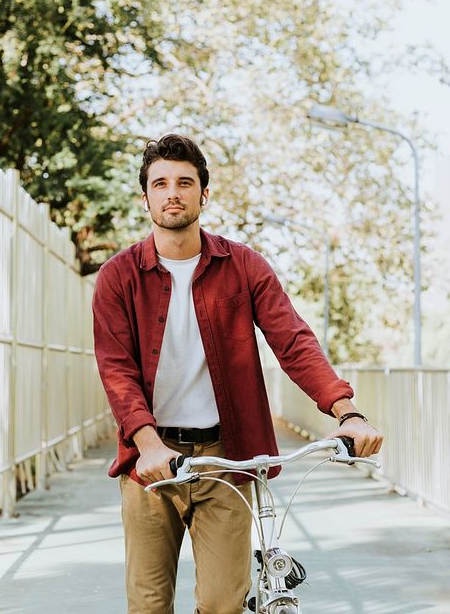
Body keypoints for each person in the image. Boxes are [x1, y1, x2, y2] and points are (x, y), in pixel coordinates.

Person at [91, 133, 383, 613]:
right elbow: (116, 368)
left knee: (225, 603)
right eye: (160, 183)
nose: (172, 193)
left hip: (225, 458)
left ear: (204, 194)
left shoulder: (243, 266)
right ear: (145, 198)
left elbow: (293, 340)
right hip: (150, 462)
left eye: (185, 182)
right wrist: (146, 444)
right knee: (147, 604)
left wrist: (348, 412)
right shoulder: (119, 277)